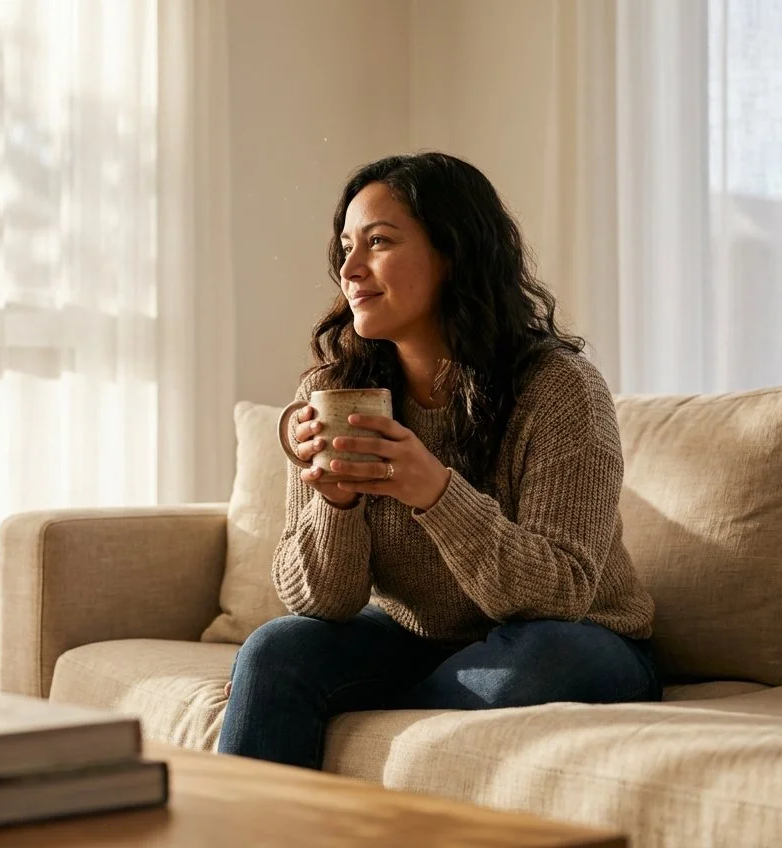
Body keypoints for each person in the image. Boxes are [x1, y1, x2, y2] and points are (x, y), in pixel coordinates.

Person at [217, 152, 659, 770]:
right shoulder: (334, 393)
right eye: (345, 246)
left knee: (540, 660)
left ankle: (392, 735)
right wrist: (336, 502)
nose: (349, 269)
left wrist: (435, 493)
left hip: (575, 637)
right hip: (414, 640)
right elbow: (324, 603)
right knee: (277, 649)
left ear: (451, 253)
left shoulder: (559, 389)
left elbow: (562, 591)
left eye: (378, 242)